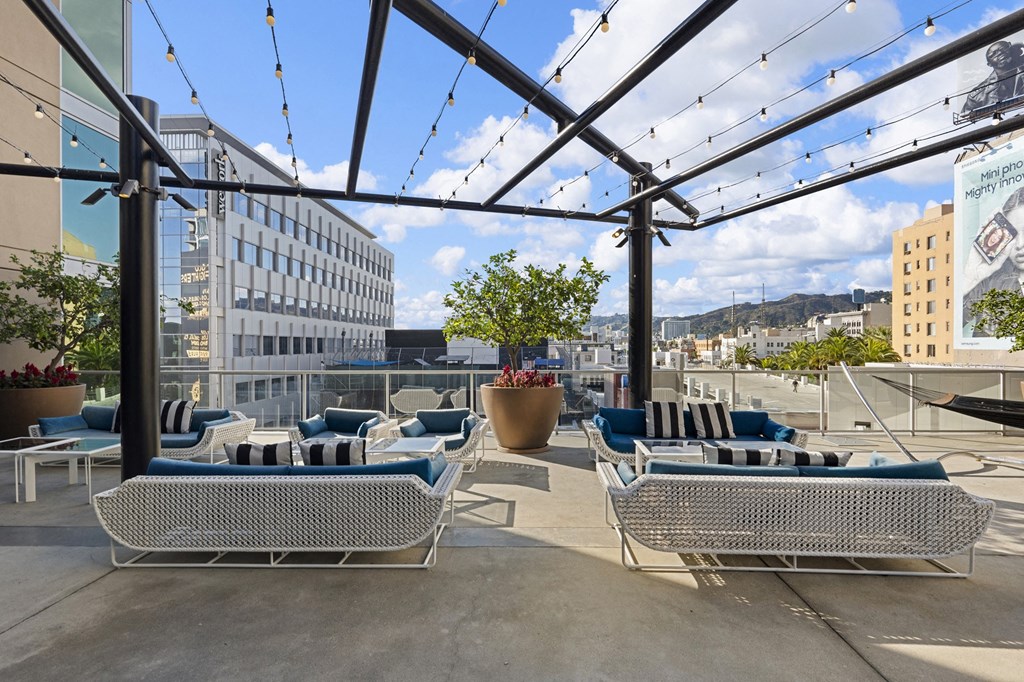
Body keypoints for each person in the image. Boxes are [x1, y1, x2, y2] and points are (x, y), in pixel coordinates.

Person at [961, 41, 1024, 116]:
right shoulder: (977, 96)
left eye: (1003, 49)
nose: (1000, 54)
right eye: (993, 54)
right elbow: (966, 119)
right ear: (989, 64)